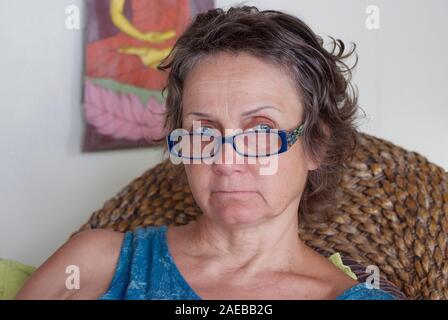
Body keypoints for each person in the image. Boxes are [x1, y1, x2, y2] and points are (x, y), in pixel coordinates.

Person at [16, 6, 396, 300]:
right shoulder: (95, 264)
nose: (226, 161)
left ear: (318, 145)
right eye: (202, 132)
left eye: (261, 131)